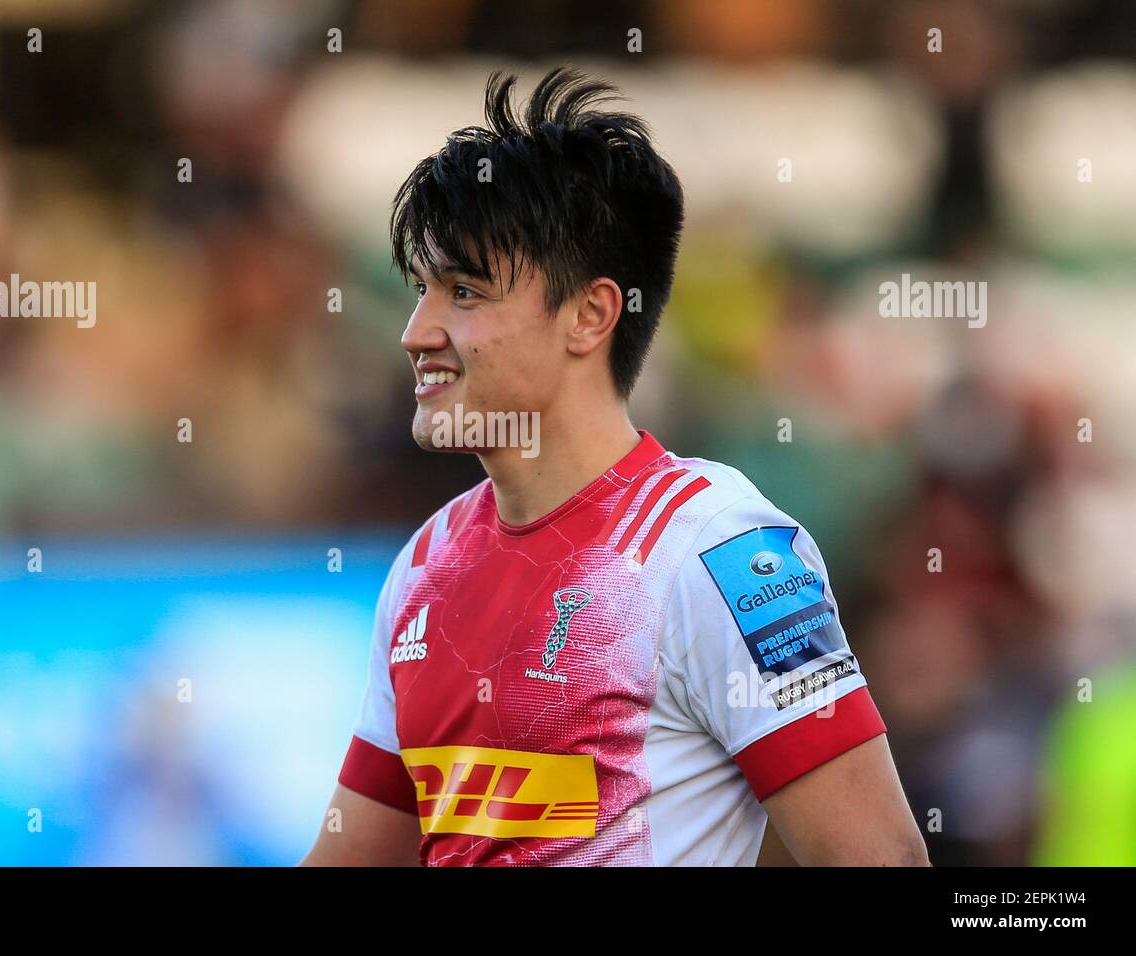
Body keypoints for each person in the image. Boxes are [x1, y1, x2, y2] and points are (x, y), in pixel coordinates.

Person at [302, 66, 927, 866]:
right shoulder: (425, 564)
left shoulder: (721, 551)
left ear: (591, 315)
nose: (416, 331)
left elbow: (882, 859)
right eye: (420, 290)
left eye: (463, 293)